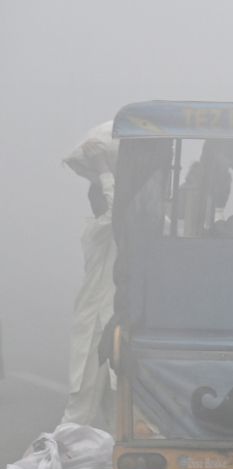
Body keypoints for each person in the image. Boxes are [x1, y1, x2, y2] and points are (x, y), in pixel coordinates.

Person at [61, 122, 120, 430]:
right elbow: (116, 212)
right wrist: (103, 168)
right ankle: (49, 467)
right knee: (80, 408)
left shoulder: (123, 233)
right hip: (94, 326)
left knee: (120, 408)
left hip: (114, 324)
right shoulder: (96, 231)